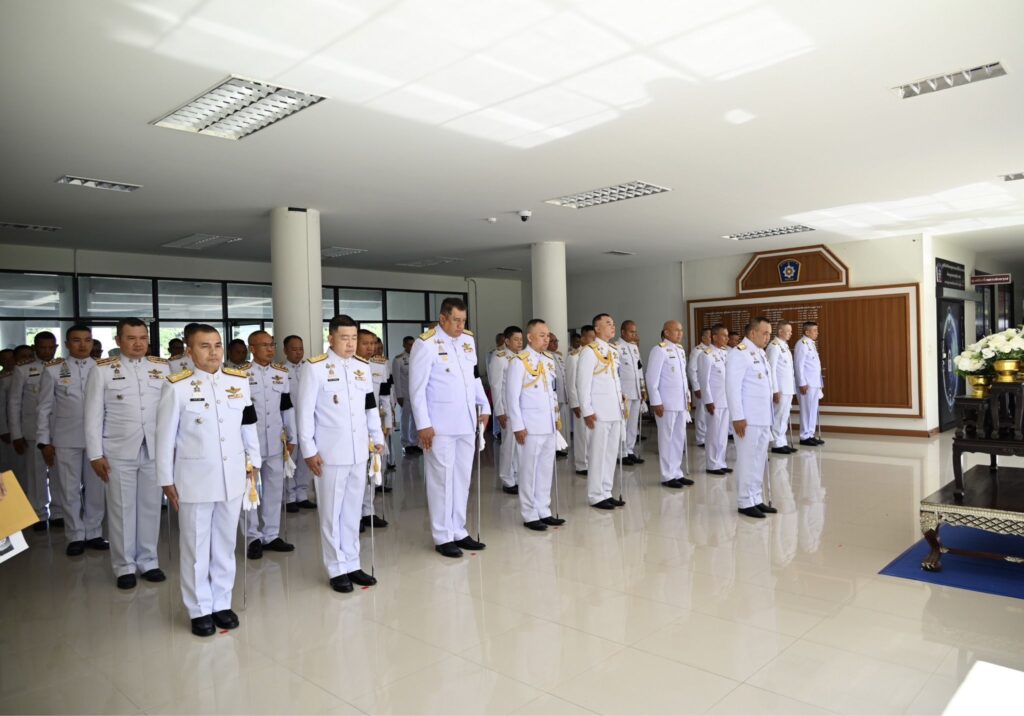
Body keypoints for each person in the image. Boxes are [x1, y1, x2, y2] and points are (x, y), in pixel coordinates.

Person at [156, 324, 261, 637]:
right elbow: (164, 438)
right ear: (190, 351)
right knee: (196, 547)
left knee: (225, 544)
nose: (213, 352)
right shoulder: (177, 387)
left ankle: (221, 602)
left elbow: (248, 425)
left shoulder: (238, 382)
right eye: (204, 346)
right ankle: (199, 608)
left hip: (233, 477)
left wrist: (253, 462)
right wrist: (165, 478)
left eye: (217, 345)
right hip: (195, 480)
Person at [297, 315, 385, 592]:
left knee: (352, 511)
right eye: (344, 338)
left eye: (354, 338)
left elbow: (370, 406)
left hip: (359, 452)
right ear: (331, 338)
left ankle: (352, 563)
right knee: (331, 513)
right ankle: (336, 568)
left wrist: (377, 436)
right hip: (330, 454)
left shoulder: (362, 367)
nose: (350, 343)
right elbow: (304, 413)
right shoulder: (315, 368)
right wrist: (309, 449)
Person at [85, 318, 168, 588]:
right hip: (118, 450)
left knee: (151, 507)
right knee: (121, 509)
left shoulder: (161, 367)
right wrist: (95, 454)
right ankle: (124, 566)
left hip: (154, 449)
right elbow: (93, 415)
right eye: (131, 338)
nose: (138, 343)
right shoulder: (102, 370)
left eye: (143, 338)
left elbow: (169, 412)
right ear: (118, 340)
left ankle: (149, 561)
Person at [409, 297, 490, 558]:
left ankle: (458, 530)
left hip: (466, 422)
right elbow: (417, 389)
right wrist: (423, 425)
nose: (460, 325)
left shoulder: (467, 341)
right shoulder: (426, 344)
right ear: (442, 318)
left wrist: (485, 406)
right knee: (441, 481)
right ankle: (442, 535)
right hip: (439, 426)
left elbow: (473, 377)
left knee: (462, 479)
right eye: (455, 320)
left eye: (463, 320)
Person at [36, 324, 108, 556]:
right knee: (69, 489)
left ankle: (94, 532)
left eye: (87, 340)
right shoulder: (53, 370)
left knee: (96, 488)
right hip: (66, 438)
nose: (82, 345)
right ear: (67, 344)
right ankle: (75, 535)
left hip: (98, 440)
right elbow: (44, 408)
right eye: (77, 340)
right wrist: (44, 442)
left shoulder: (103, 367)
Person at [241, 330, 297, 559]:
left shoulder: (281, 374)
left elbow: (286, 406)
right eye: (264, 345)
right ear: (252, 348)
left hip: (274, 440)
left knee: (274, 489)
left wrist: (292, 436)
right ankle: (253, 536)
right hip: (249, 444)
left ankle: (271, 534)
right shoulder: (240, 374)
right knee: (250, 489)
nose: (270, 349)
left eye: (272, 344)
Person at [505, 319, 565, 531]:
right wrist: (518, 426)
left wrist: (556, 419)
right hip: (529, 427)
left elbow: (551, 393)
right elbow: (512, 397)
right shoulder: (519, 361)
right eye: (542, 335)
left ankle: (543, 509)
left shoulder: (548, 360)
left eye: (547, 335)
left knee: (545, 470)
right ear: (529, 337)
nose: (546, 339)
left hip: (548, 425)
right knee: (528, 472)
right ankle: (529, 514)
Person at [8, 331, 63, 530]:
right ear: (34, 348)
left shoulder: (62, 368)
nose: (47, 351)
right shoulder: (23, 370)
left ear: (56, 347)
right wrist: (16, 434)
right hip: (33, 431)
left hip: (59, 430)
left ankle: (58, 512)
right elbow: (14, 403)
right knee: (36, 474)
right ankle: (39, 514)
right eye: (42, 347)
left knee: (59, 473)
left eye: (51, 347)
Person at [726, 317, 778, 519]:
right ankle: (744, 501)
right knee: (747, 460)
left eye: (769, 333)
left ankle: (755, 498)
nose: (768, 337)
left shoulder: (759, 353)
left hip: (762, 417)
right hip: (747, 419)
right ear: (752, 333)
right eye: (765, 333)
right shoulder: (739, 354)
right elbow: (732, 388)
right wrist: (737, 417)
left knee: (759, 460)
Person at [576, 313, 625, 510]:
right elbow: (583, 384)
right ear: (597, 329)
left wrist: (621, 407)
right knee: (597, 454)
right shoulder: (589, 351)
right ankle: (596, 495)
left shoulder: (613, 351)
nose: (612, 326)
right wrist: (587, 410)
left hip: (614, 410)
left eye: (613, 323)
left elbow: (615, 381)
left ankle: (606, 491)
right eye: (607, 323)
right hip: (598, 412)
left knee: (611, 453)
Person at [645, 321, 694, 489]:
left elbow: (682, 378)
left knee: (679, 438)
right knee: (666, 439)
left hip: (680, 402)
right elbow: (651, 378)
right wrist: (656, 401)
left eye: (681, 330)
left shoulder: (680, 350)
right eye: (676, 330)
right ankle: (667, 475)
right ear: (666, 332)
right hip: (666, 403)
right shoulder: (659, 350)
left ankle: (677, 472)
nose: (680, 333)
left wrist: (687, 397)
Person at [356, 329, 390, 527]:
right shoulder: (349, 367)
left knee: (375, 467)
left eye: (373, 343)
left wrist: (388, 423)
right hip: (355, 426)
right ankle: (356, 514)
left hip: (374, 424)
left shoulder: (379, 366)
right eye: (365, 343)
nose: (370, 347)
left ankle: (369, 510)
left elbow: (384, 395)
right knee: (358, 472)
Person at [282, 334, 315, 511]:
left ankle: (302, 494)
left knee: (305, 459)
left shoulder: (309, 369)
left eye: (300, 349)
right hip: (289, 423)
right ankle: (289, 497)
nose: (298, 352)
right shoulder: (281, 371)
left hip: (307, 422)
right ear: (285, 350)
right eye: (294, 349)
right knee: (290, 460)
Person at [491, 325, 523, 494]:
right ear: (507, 341)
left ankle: (517, 476)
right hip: (508, 409)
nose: (519, 343)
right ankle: (507, 479)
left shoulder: (522, 357)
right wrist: (500, 412)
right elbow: (496, 387)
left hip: (521, 409)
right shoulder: (499, 358)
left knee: (520, 445)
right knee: (509, 445)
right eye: (516, 339)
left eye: (521, 339)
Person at [698, 324, 731, 476]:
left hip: (726, 400)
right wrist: (708, 401)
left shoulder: (725, 353)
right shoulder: (706, 355)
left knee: (723, 434)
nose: (727, 338)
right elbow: (703, 381)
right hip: (715, 401)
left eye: (727, 335)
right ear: (715, 337)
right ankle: (712, 464)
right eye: (724, 335)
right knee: (713, 432)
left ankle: (721, 462)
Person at [613, 320, 645, 465]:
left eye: (635, 332)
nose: (634, 334)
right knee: (623, 424)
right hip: (624, 393)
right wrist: (618, 392)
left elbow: (639, 369)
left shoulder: (634, 347)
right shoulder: (616, 347)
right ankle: (621, 452)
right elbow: (615, 372)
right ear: (623, 332)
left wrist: (643, 389)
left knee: (633, 424)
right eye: (631, 332)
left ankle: (630, 450)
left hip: (636, 390)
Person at [566, 324, 595, 476]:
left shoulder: (595, 355)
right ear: (583, 338)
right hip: (580, 402)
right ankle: (581, 464)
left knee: (592, 435)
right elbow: (571, 383)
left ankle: (592, 462)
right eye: (591, 337)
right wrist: (575, 404)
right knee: (582, 434)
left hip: (593, 401)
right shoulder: (574, 357)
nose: (594, 340)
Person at [766, 321, 798, 454]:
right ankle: (776, 443)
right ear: (780, 331)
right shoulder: (774, 346)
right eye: (788, 331)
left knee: (784, 416)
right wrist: (775, 390)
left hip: (787, 388)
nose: (791, 333)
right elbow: (771, 370)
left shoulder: (783, 346)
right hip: (780, 389)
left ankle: (782, 441)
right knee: (778, 415)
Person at [794, 321, 824, 446]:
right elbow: (799, 365)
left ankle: (810, 434)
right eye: (814, 330)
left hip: (814, 383)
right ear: (807, 332)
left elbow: (815, 366)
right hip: (807, 384)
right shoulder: (802, 344)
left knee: (813, 410)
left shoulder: (811, 343)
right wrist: (802, 383)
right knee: (806, 410)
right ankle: (804, 436)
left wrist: (820, 383)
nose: (817, 333)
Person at [392, 336, 419, 456]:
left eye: (413, 344)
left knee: (416, 419)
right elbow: (396, 379)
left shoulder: (418, 357)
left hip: (417, 395)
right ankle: (406, 443)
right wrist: (399, 395)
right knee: (405, 420)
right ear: (404, 345)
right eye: (409, 344)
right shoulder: (398, 360)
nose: (411, 346)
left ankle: (414, 443)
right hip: (405, 394)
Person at [688, 328, 711, 448]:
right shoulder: (697, 351)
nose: (711, 338)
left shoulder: (712, 350)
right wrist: (696, 387)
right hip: (701, 387)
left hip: (711, 388)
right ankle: (701, 439)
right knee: (702, 412)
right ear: (703, 338)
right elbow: (692, 370)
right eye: (709, 336)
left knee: (710, 413)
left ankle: (709, 436)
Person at [547, 334, 570, 457]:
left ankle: (560, 447)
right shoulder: (544, 357)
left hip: (562, 395)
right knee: (552, 422)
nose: (555, 343)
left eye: (556, 341)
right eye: (552, 341)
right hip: (552, 397)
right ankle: (552, 448)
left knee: (561, 423)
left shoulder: (559, 356)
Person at [487, 332, 506, 440]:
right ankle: (496, 431)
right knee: (497, 410)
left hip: (503, 389)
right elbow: (491, 373)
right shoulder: (494, 354)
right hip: (496, 386)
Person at [0, 348, 15, 472]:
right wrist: (3, 430)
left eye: (11, 358)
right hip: (5, 429)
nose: (9, 361)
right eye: (5, 359)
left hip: (20, 429)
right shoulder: (2, 379)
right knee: (6, 464)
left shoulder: (20, 376)